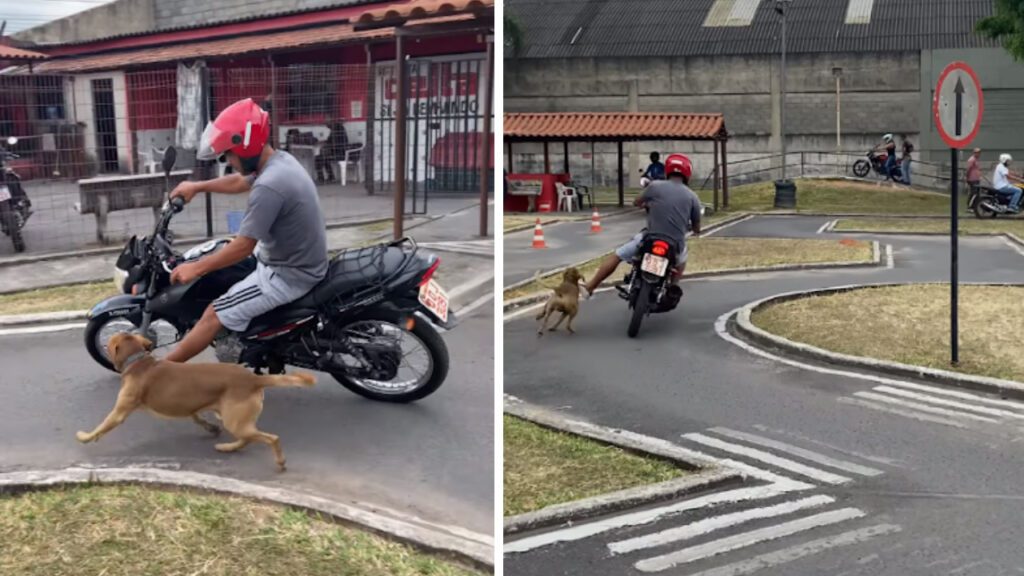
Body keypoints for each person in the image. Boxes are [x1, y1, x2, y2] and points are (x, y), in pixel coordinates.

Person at [164, 98, 328, 363]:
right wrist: (197, 186)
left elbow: (243, 247)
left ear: (246, 145)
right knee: (225, 266)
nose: (228, 160)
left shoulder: (269, 186)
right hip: (291, 259)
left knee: (213, 314)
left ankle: (160, 372)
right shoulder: (278, 161)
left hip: (288, 274)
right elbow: (239, 182)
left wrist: (196, 268)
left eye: (229, 153)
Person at [583, 153, 702, 308]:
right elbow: (697, 227)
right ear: (687, 174)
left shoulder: (655, 186)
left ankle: (590, 287)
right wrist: (694, 229)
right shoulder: (693, 197)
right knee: (681, 261)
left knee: (618, 255)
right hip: (674, 244)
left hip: (649, 238)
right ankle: (671, 287)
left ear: (668, 170)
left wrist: (646, 204)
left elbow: (637, 201)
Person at [316, 117, 351, 184]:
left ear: (331, 122)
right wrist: (323, 143)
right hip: (336, 151)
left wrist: (325, 146)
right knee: (322, 156)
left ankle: (322, 178)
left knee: (319, 158)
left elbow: (335, 144)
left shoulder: (337, 128)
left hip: (340, 153)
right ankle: (330, 177)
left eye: (327, 123)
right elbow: (330, 141)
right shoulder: (334, 129)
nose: (326, 126)